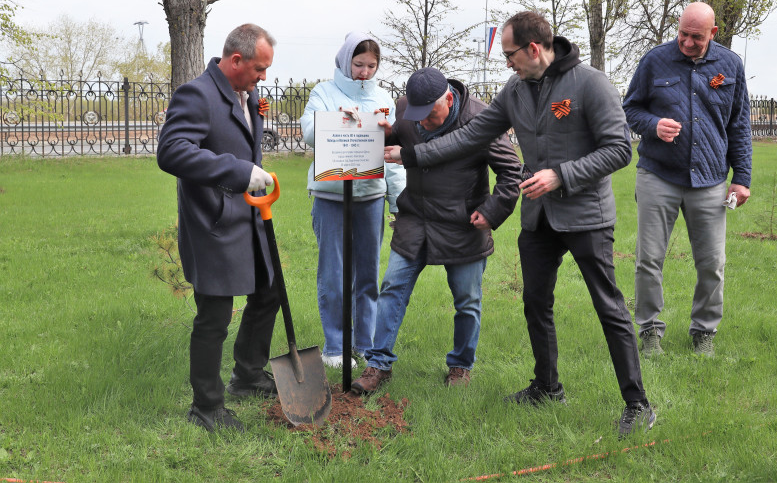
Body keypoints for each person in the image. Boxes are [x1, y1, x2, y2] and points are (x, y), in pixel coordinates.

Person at [385, 11, 655, 437]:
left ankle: (637, 404)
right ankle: (547, 387)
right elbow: (469, 136)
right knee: (535, 303)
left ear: (533, 48)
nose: (507, 62)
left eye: (509, 54)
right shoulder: (514, 90)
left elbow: (620, 149)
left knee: (608, 306)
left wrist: (561, 175)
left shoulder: (591, 84)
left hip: (586, 217)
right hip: (538, 217)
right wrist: (411, 155)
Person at [351, 67, 520, 394]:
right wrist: (385, 134)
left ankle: (460, 366)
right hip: (415, 219)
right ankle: (378, 364)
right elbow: (397, 140)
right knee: (392, 288)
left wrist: (492, 211)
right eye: (418, 117)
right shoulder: (405, 108)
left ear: (448, 99)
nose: (424, 123)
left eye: (430, 115)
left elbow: (512, 171)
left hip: (463, 225)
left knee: (467, 300)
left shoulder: (480, 119)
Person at [157, 24, 282, 432]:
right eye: (259, 69)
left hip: (250, 217)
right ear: (236, 60)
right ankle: (206, 407)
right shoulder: (197, 94)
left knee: (269, 292)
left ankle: (248, 375)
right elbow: (171, 152)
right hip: (213, 220)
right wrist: (239, 171)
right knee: (215, 314)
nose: (264, 77)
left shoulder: (249, 95)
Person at [623, 2, 752, 359]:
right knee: (649, 260)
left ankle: (704, 332)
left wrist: (741, 178)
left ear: (713, 33)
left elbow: (739, 125)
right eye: (683, 34)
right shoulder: (655, 60)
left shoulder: (730, 65)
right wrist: (653, 125)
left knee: (712, 264)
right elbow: (630, 108)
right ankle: (650, 332)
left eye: (697, 37)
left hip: (710, 179)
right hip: (658, 174)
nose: (688, 42)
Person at [300, 32, 406, 369]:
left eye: (371, 66)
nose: (364, 72)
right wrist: (339, 120)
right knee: (334, 273)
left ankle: (364, 343)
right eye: (358, 64)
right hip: (331, 195)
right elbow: (308, 132)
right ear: (346, 61)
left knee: (368, 274)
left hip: (370, 196)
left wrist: (397, 202)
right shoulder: (324, 92)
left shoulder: (383, 98)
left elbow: (391, 155)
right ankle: (335, 345)